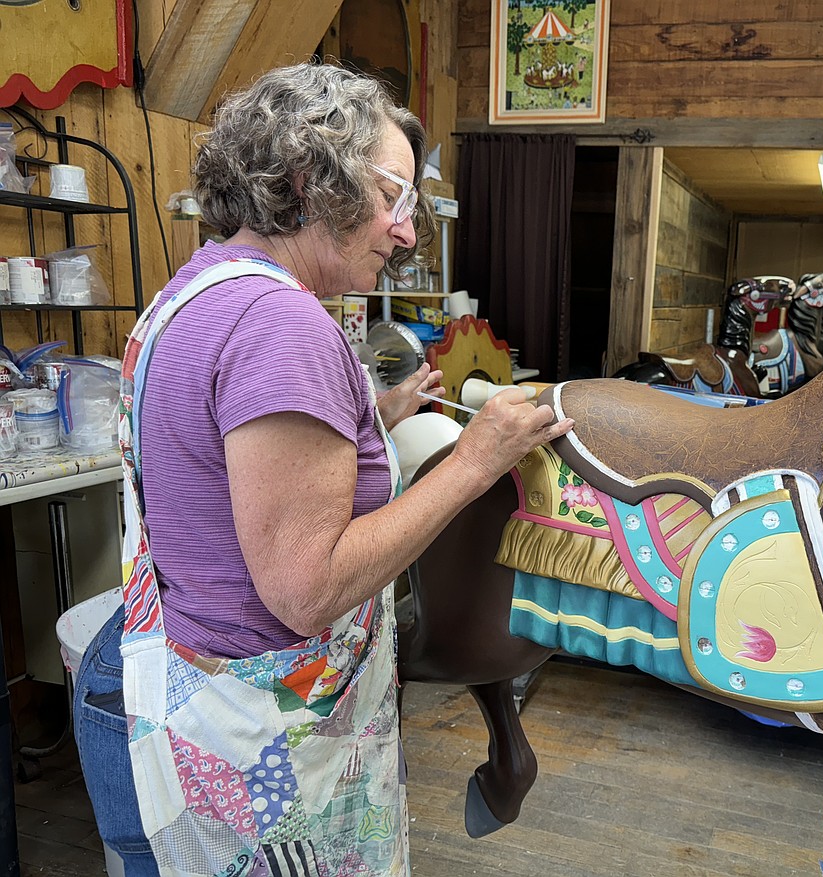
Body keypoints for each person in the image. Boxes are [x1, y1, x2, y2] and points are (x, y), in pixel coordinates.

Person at [72, 62, 572, 877]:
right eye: (394, 198)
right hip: (245, 735)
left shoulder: (194, 292)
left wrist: (379, 413)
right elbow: (306, 590)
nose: (407, 232)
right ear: (312, 178)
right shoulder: (282, 323)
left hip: (158, 683)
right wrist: (474, 461)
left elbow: (233, 463)